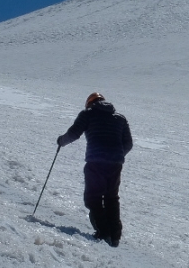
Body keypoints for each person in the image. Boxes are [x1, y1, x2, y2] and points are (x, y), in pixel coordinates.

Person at [57, 93, 133, 246]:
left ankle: (103, 232)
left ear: (89, 103)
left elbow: (74, 133)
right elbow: (129, 143)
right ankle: (115, 235)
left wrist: (61, 141)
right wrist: (116, 155)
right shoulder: (120, 118)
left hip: (96, 162)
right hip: (115, 163)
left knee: (93, 197)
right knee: (112, 197)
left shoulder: (88, 114)